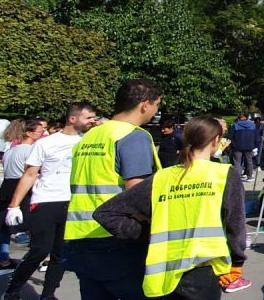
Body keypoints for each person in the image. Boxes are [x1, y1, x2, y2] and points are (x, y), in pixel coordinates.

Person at [94, 115, 250, 297]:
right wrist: (237, 263)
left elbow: (106, 213)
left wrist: (146, 232)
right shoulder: (223, 174)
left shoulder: (162, 177)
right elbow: (235, 223)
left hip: (163, 272)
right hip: (203, 270)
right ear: (215, 140)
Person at [64, 78, 162, 300]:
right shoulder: (132, 136)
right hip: (117, 236)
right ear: (145, 104)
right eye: (157, 105)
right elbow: (137, 193)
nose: (155, 111)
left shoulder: (90, 137)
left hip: (81, 234)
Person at [2, 103, 97, 300]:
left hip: (73, 203)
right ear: (72, 119)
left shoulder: (89, 142)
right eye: (88, 117)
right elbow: (29, 174)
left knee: (60, 254)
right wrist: (14, 205)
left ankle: (48, 295)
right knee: (39, 250)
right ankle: (13, 290)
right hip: (46, 201)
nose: (93, 121)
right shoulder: (46, 143)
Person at [0, 118, 45, 275]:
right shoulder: (32, 150)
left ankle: (3, 260)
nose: (42, 134)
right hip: (23, 189)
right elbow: (32, 172)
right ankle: (39, 259)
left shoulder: (9, 152)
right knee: (38, 226)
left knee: (5, 228)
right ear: (29, 133)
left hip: (8, 187)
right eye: (40, 131)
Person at [229, 113, 258, 182]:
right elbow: (256, 136)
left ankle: (237, 178)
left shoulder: (235, 125)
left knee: (237, 162)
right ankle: (249, 176)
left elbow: (230, 136)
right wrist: (254, 145)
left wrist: (232, 144)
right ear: (247, 118)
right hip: (249, 146)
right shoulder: (253, 125)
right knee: (249, 161)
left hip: (237, 147)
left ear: (238, 118)